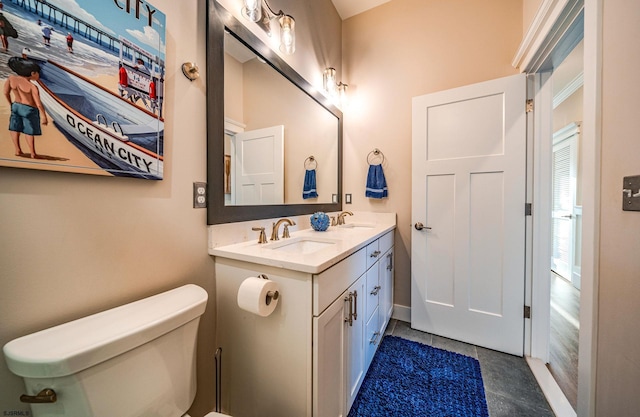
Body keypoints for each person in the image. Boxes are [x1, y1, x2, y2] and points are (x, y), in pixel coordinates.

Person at [3, 57, 49, 158]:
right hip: (29, 109)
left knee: (15, 128)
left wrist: (11, 104)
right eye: (38, 73)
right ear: (32, 73)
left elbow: (6, 92)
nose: (38, 75)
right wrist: (44, 116)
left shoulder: (11, 79)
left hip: (16, 106)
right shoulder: (32, 87)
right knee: (29, 131)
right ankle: (33, 153)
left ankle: (17, 150)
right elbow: (38, 103)